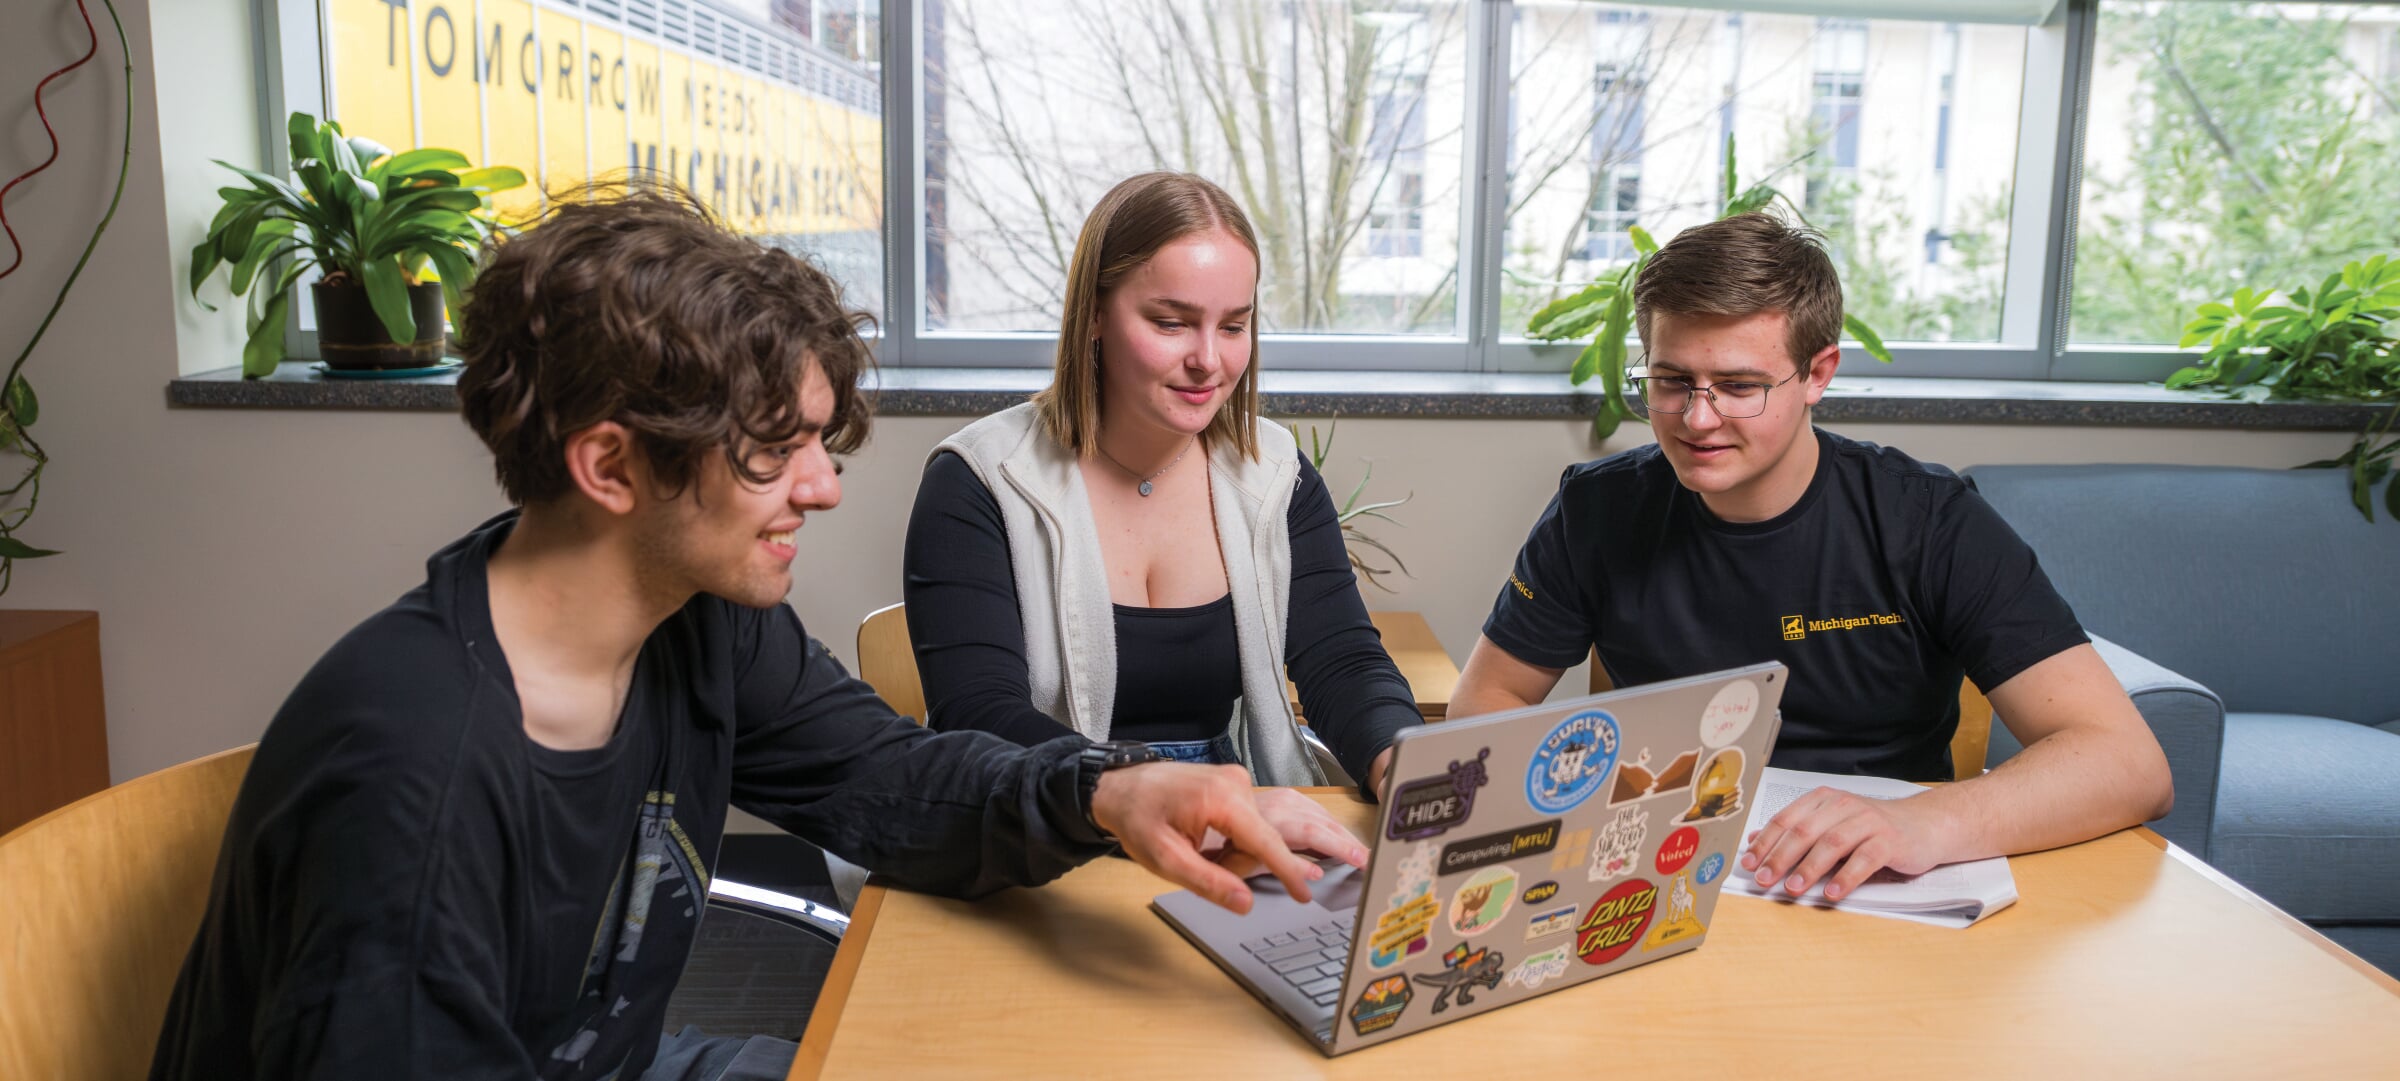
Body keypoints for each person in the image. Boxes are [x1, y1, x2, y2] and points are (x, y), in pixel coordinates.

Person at [147, 187, 1363, 1081]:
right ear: (612, 465)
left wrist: (1116, 793)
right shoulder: (416, 779)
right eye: (773, 451)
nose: (821, 490)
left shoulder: (698, 629)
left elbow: (891, 781)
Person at [1449, 211, 2174, 906]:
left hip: (1876, 882)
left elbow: (2127, 762)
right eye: (1671, 382)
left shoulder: (1930, 521)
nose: (1698, 419)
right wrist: (1593, 798)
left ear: (1818, 373)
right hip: (1656, 867)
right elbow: (1484, 702)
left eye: (1739, 386)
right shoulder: (1597, 510)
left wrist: (1929, 822)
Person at [901, 171, 1421, 797]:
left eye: (1233, 326)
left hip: (1227, 808)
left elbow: (1344, 663)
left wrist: (1401, 760)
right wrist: (1148, 793)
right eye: (1172, 323)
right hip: (1043, 814)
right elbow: (978, 717)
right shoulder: (979, 483)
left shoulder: (1276, 474)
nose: (1209, 359)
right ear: (1093, 315)